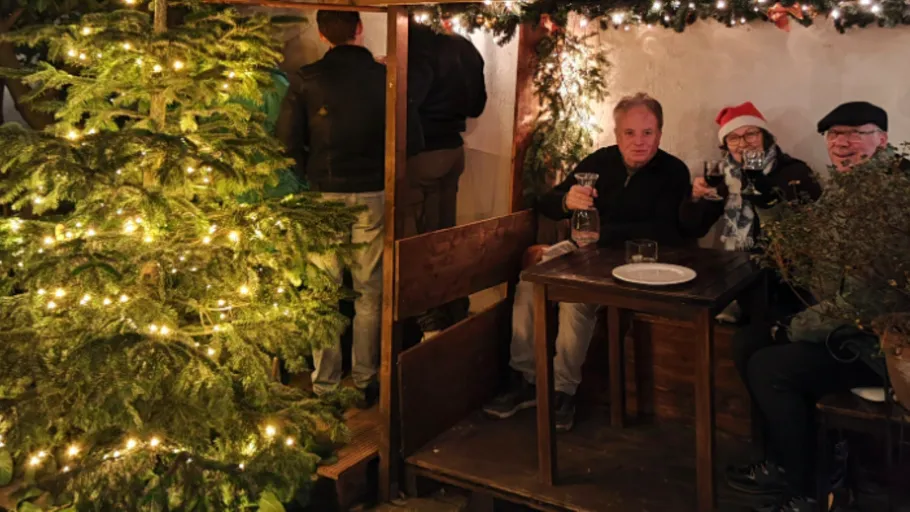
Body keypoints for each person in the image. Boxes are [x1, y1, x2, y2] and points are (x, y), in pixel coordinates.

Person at [724, 101, 907, 512]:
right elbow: (802, 252)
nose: (842, 144)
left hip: (878, 345)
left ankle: (808, 485)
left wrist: (793, 328)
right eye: (834, 135)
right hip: (846, 330)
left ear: (882, 140)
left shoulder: (890, 198)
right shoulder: (847, 186)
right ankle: (783, 461)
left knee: (772, 366)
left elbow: (864, 300)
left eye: (856, 133)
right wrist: (765, 202)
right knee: (747, 342)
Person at [482, 93, 693, 432]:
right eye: (630, 133)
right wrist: (567, 200)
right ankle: (526, 378)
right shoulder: (599, 162)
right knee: (530, 279)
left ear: (660, 133)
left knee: (575, 298)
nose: (639, 142)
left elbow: (667, 229)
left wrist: (603, 233)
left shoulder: (673, 172)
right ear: (616, 133)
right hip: (582, 250)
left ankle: (562, 392)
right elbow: (546, 202)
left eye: (648, 133)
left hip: (631, 262)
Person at [276, 11, 390, 406]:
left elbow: (286, 142)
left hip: (323, 192)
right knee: (368, 291)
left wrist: (308, 174)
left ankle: (324, 384)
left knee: (323, 292)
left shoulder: (307, 79)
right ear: (359, 29)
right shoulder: (384, 78)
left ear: (322, 34)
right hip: (373, 191)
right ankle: (364, 379)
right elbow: (411, 136)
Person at [680, 102, 821, 323]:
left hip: (782, 280)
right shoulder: (728, 177)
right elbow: (694, 227)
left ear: (765, 136)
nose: (743, 144)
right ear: (726, 145)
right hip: (737, 273)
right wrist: (696, 197)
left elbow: (804, 233)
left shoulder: (795, 172)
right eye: (733, 138)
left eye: (750, 134)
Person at [404, 21, 487, 337]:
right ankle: (455, 312)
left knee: (419, 240)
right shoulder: (465, 47)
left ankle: (430, 325)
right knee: (445, 237)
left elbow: (410, 98)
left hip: (424, 153)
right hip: (454, 151)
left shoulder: (419, 48)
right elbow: (477, 105)